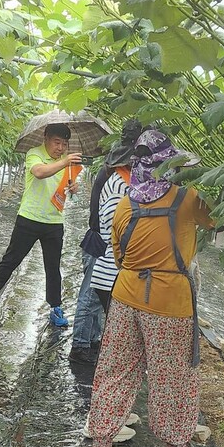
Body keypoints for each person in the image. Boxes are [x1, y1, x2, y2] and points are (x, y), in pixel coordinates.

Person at [83, 129, 212, 447]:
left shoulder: (126, 203)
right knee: (172, 375)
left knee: (114, 369)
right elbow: (217, 220)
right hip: (170, 302)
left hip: (125, 295)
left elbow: (120, 253)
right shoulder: (187, 198)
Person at [0, 123, 82, 325]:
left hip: (54, 221)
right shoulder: (35, 154)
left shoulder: (67, 165)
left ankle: (56, 307)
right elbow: (40, 172)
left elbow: (69, 194)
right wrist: (65, 162)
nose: (60, 148)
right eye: (57, 142)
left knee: (53, 266)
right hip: (29, 218)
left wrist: (73, 189)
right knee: (11, 260)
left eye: (64, 144)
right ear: (46, 138)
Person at [71, 121, 142, 364]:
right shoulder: (116, 178)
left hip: (101, 239)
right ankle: (80, 346)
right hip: (101, 241)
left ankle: (90, 341)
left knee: (95, 299)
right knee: (90, 297)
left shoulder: (114, 171)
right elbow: (111, 221)